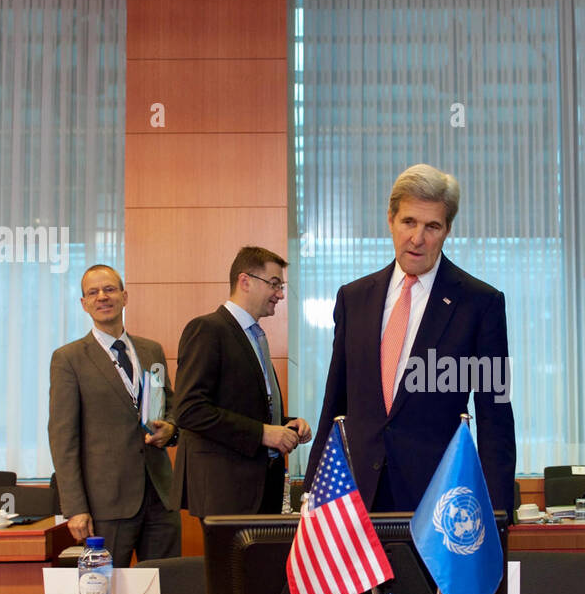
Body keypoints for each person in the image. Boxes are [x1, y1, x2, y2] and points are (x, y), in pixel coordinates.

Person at [310, 164, 516, 515]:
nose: (417, 238)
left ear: (447, 230)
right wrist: (313, 494)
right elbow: (334, 406)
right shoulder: (353, 298)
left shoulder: (481, 304)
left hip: (439, 507)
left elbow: (495, 418)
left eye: (432, 226)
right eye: (408, 222)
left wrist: (498, 516)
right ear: (390, 219)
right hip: (356, 504)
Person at [48, 264, 180, 567]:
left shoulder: (151, 350)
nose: (102, 297)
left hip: (160, 496)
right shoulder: (69, 359)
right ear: (84, 304)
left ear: (124, 296)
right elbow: (62, 439)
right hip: (105, 505)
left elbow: (170, 407)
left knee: (167, 589)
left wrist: (170, 429)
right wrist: (75, 508)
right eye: (92, 292)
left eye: (109, 289)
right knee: (106, 591)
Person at [172, 246, 312, 518]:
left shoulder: (255, 336)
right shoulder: (208, 330)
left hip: (261, 487)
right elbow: (189, 410)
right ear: (245, 281)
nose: (280, 294)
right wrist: (263, 433)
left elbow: (242, 407)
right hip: (226, 490)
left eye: (281, 286)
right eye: (274, 284)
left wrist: (286, 424)